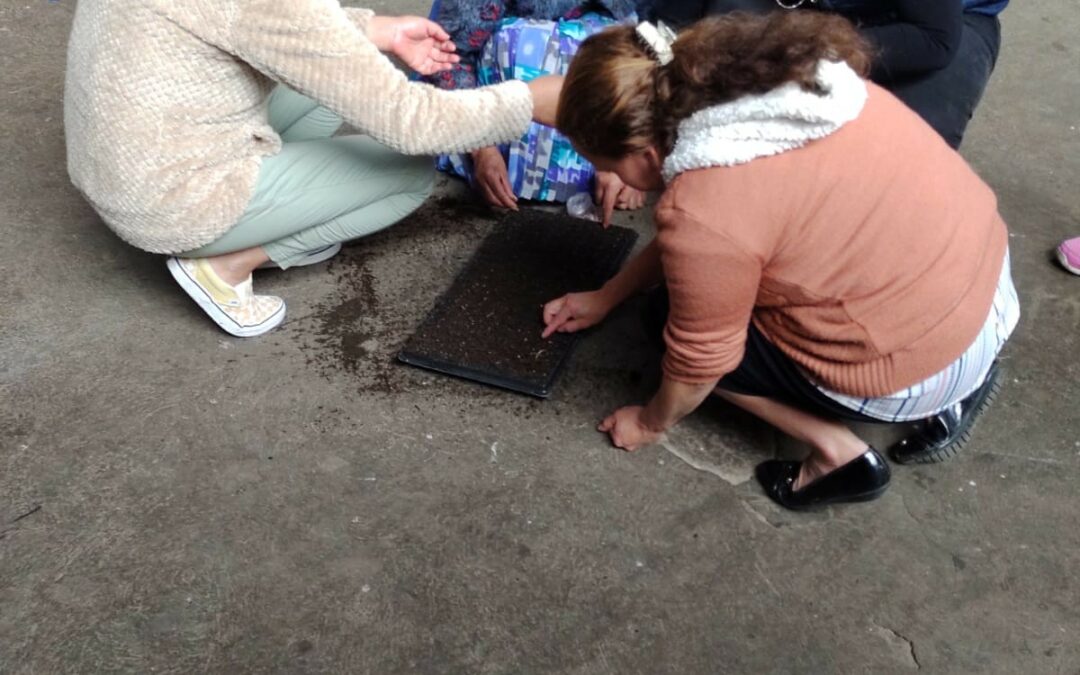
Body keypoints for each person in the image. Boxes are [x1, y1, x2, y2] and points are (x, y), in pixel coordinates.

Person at [541, 13, 1019, 510]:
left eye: (607, 166)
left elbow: (699, 363)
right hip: (987, 294)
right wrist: (607, 295)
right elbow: (712, 240)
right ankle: (960, 378)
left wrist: (648, 423)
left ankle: (836, 452)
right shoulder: (795, 83)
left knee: (668, 321)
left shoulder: (705, 208)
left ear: (642, 152)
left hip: (917, 367)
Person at [65, 0, 562, 337]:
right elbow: (412, 123)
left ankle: (281, 207)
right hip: (167, 202)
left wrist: (377, 30)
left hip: (121, 158)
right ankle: (222, 265)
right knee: (409, 173)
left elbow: (261, 22)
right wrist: (527, 102)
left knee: (337, 81)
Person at [655, 0, 1009, 149]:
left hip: (940, 25)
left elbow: (933, 41)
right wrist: (644, 132)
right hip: (823, 7)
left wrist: (794, 50)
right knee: (713, 64)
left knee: (904, 146)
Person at [421, 0, 651, 215]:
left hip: (604, 98)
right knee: (527, 41)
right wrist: (481, 147)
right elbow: (450, 54)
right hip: (492, 106)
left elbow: (657, 49)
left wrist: (628, 155)